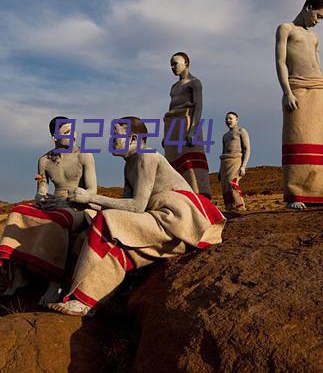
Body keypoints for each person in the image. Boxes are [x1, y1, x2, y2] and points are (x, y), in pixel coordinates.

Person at [48, 117, 226, 316]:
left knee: (107, 221)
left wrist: (91, 197)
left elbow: (137, 206)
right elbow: (125, 207)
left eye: (116, 135)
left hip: (176, 218)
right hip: (159, 217)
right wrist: (86, 203)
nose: (111, 139)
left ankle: (80, 299)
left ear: (132, 138)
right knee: (113, 247)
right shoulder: (130, 164)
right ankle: (86, 299)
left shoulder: (146, 156)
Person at [0, 117, 97, 306]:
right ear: (55, 137)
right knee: (17, 212)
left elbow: (92, 191)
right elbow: (41, 191)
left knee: (57, 222)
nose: (73, 136)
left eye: (73, 131)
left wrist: (67, 201)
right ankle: (18, 276)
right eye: (66, 132)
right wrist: (42, 200)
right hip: (54, 202)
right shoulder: (44, 161)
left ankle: (55, 282)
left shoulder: (84, 156)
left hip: (78, 205)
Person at [275, 0, 323, 209]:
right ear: (308, 7)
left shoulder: (313, 37)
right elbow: (280, 61)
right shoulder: (286, 28)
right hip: (297, 87)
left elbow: (318, 64)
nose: (318, 21)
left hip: (320, 87)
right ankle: (297, 194)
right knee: (297, 136)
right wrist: (287, 91)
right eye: (317, 16)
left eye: (322, 19)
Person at [163, 52, 213, 198]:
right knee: (172, 162)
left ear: (186, 63)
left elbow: (199, 107)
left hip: (188, 121)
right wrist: (167, 136)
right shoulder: (174, 87)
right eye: (171, 65)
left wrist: (193, 130)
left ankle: (199, 195)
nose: (173, 67)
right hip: (172, 124)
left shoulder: (194, 83)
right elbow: (171, 107)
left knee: (191, 161)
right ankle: (179, 195)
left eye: (176, 63)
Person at [218, 112, 250, 211]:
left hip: (236, 160)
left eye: (230, 118)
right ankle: (229, 207)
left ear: (237, 119)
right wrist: (220, 170)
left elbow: (247, 149)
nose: (228, 121)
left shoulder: (241, 131)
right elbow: (223, 151)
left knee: (232, 183)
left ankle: (240, 206)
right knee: (225, 186)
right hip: (225, 162)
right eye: (226, 119)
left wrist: (243, 166)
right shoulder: (225, 136)